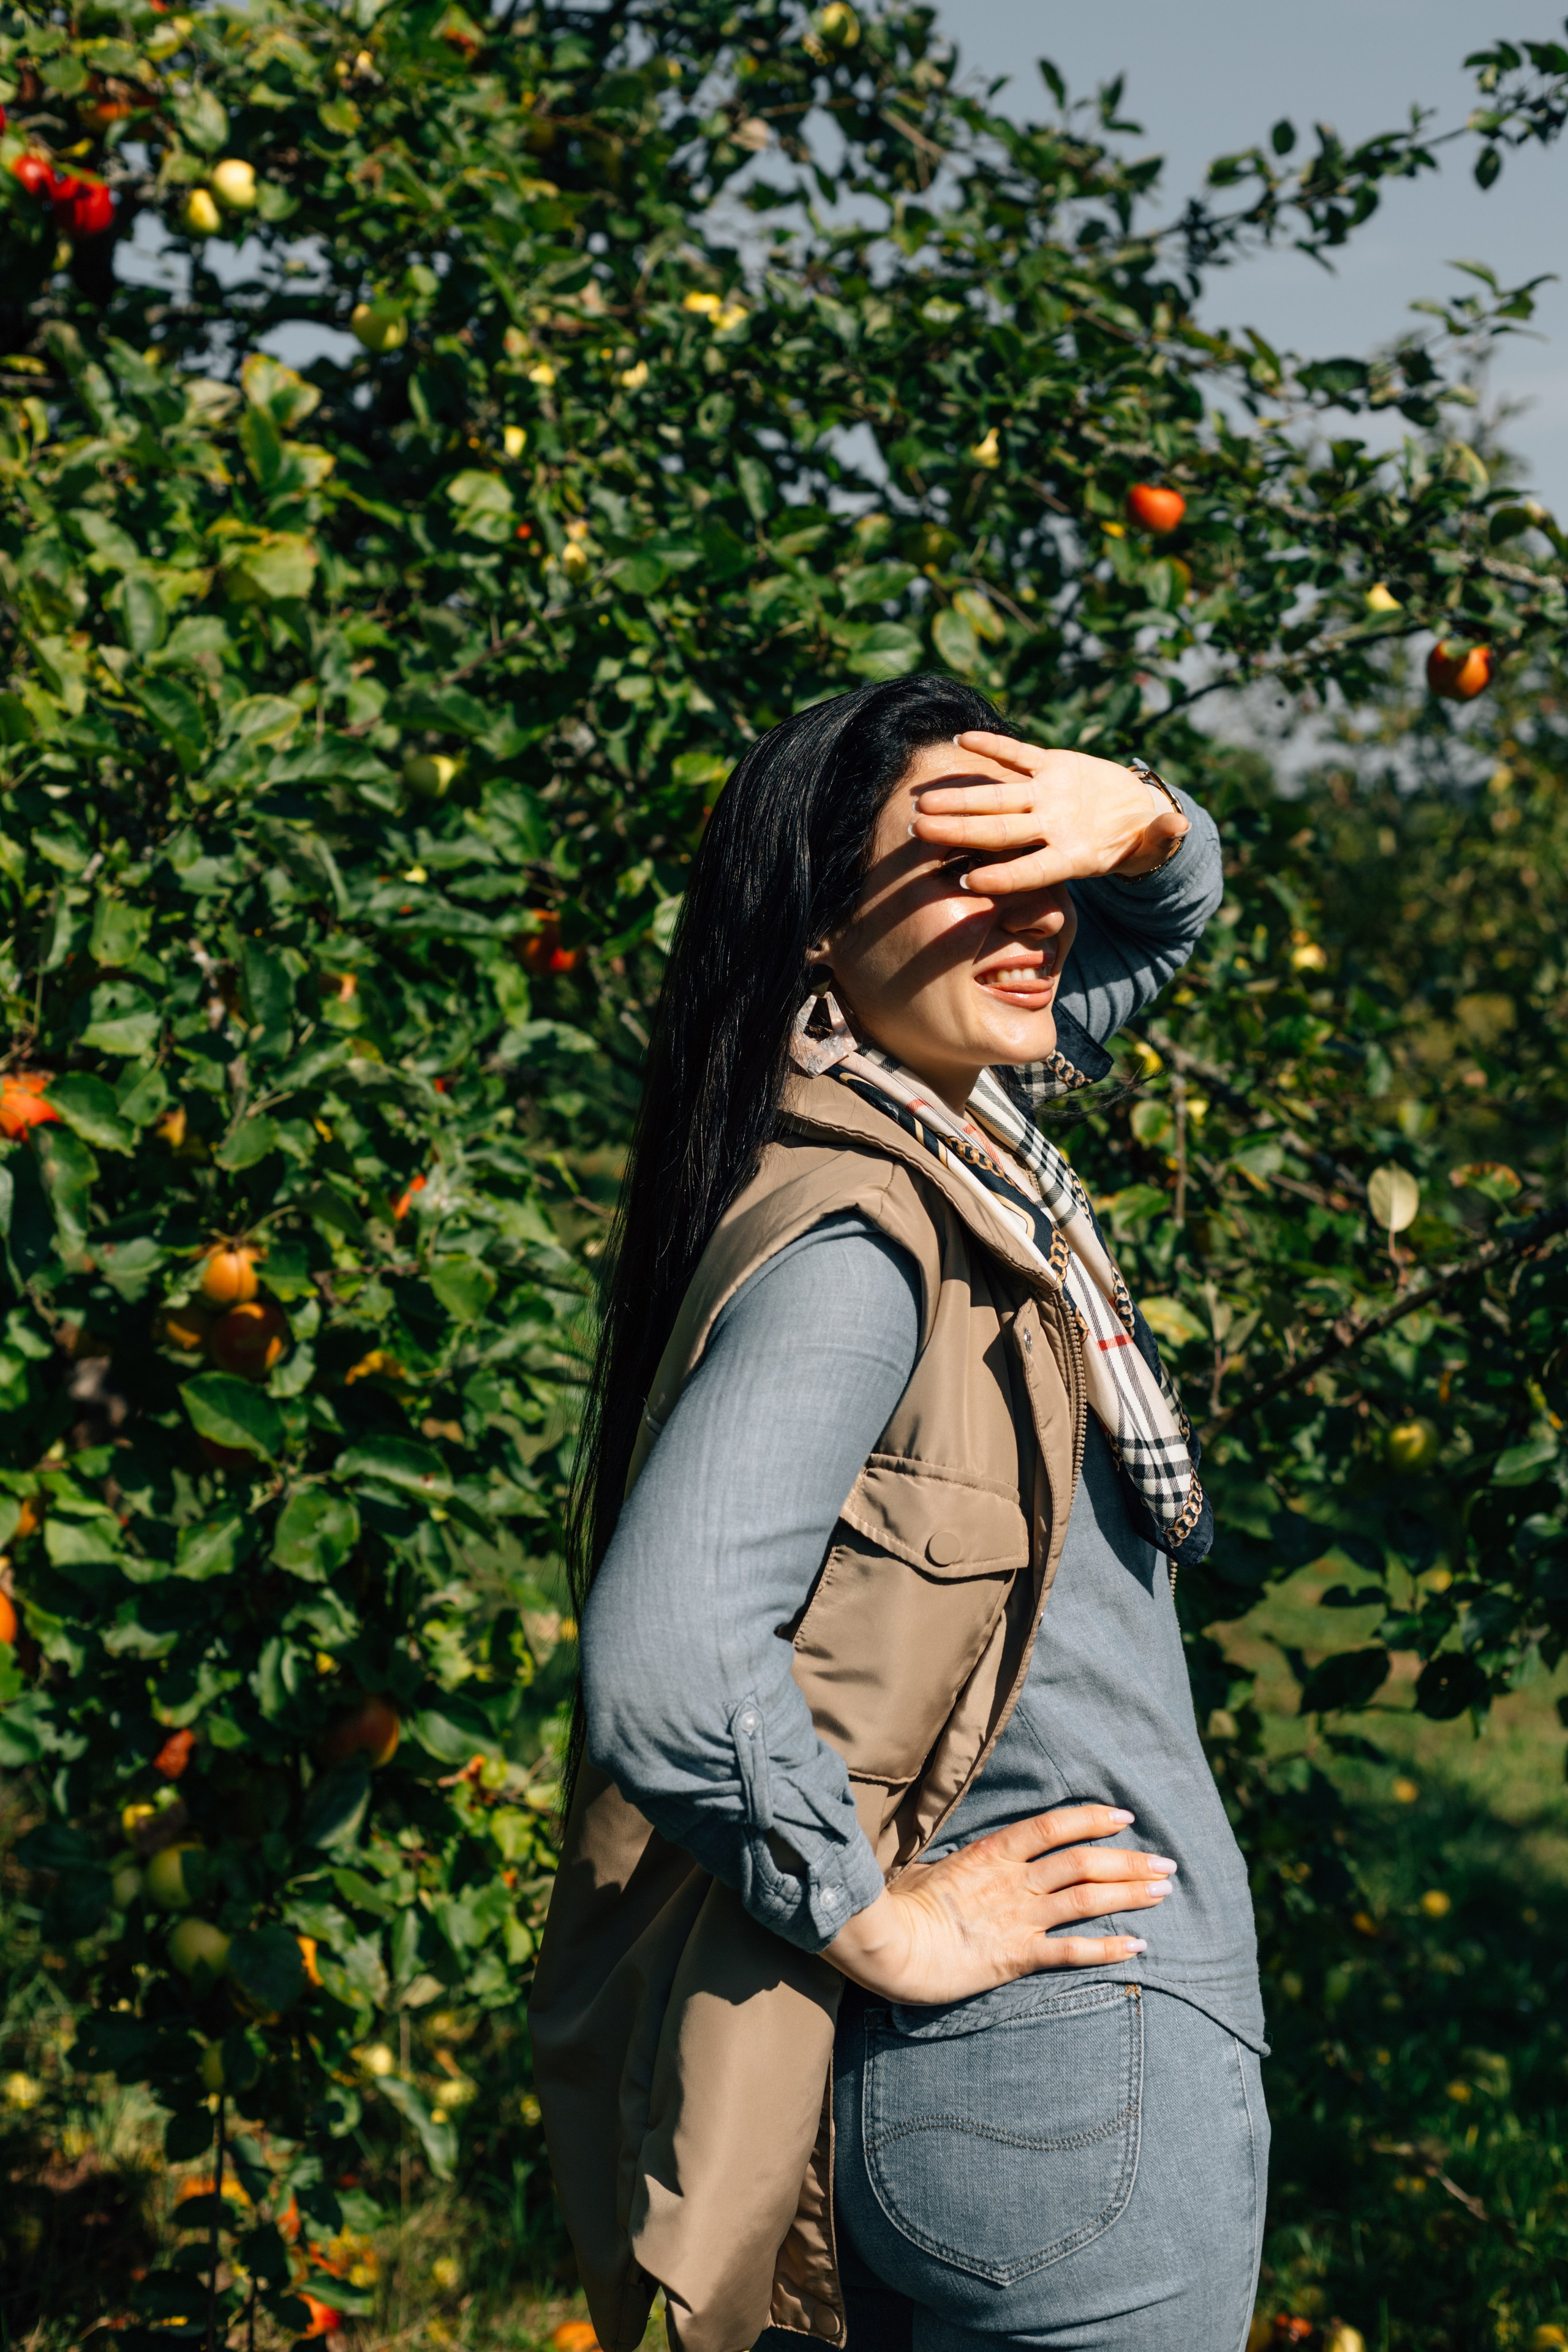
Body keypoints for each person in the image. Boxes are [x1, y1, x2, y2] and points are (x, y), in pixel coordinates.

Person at [530, 675, 1267, 2352]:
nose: (1034, 916)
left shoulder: (934, 1127)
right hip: (1076, 2066)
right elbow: (661, 1666)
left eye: (1041, 867)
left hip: (953, 2095)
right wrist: (886, 1918)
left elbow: (1162, 915)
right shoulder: (876, 1242)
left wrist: (1135, 815)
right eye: (959, 867)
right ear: (812, 927)